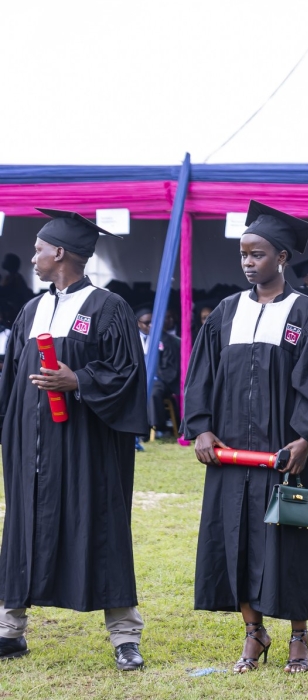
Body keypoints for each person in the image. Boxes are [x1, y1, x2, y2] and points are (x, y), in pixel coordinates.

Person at [185, 201, 308, 674]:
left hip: (285, 456)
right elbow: (201, 376)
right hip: (232, 455)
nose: (248, 262)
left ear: (281, 257)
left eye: (257, 254)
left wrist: (305, 438)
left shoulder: (307, 314)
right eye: (243, 254)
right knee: (234, 540)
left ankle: (298, 633)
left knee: (290, 540)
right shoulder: (224, 313)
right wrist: (200, 427)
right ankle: (253, 632)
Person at [0, 209, 148, 669]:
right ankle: (10, 630)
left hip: (89, 449)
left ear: (60, 253)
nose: (34, 256)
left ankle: (125, 636)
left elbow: (127, 374)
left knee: (100, 527)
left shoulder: (109, 308)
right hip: (32, 450)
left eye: (40, 249)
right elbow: (10, 380)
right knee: (22, 528)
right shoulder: (31, 309)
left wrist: (78, 380)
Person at [135, 306, 181, 438]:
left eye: (152, 322)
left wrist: (153, 376)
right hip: (137, 379)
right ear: (138, 323)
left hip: (160, 381)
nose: (150, 326)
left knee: (153, 391)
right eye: (146, 323)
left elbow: (170, 367)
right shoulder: (132, 338)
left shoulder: (165, 339)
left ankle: (157, 427)